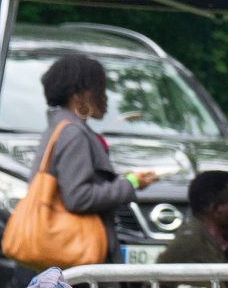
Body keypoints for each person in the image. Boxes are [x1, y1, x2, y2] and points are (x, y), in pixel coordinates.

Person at [26, 52, 157, 263]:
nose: (105, 97)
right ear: (77, 95)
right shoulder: (74, 133)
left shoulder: (59, 127)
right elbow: (78, 197)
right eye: (100, 89)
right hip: (75, 254)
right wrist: (130, 183)